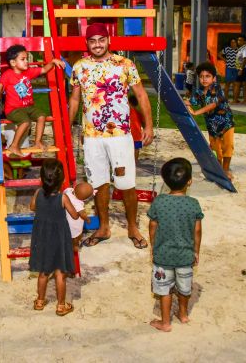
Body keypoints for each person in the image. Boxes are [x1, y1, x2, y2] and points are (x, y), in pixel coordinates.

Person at [68, 23, 154, 249]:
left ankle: (133, 227)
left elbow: (142, 95)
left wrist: (149, 126)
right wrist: (68, 126)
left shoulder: (125, 64)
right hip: (92, 137)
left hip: (120, 135)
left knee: (126, 183)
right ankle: (104, 227)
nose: (97, 44)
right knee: (98, 183)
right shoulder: (80, 67)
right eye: (92, 40)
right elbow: (75, 99)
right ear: (87, 43)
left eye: (101, 39)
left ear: (108, 40)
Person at [147, 157, 204, 333]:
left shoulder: (159, 202)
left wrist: (153, 245)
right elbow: (197, 231)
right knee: (184, 288)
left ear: (165, 181)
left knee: (164, 290)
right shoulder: (193, 204)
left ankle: (165, 322)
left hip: (163, 256)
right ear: (190, 181)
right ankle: (183, 314)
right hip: (185, 256)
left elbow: (152, 226)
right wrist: (196, 251)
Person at [0, 44, 65, 157]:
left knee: (41, 116)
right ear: (13, 63)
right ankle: (14, 146)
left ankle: (37, 142)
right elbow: (1, 87)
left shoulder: (28, 72)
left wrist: (53, 62)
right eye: (23, 59)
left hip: (28, 107)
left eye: (27, 59)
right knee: (25, 122)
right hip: (13, 109)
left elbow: (44, 69)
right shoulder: (7, 75)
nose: (26, 61)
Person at [29, 159, 79, 316]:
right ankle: (61, 305)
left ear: (41, 179)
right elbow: (74, 215)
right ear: (62, 179)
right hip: (59, 239)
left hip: (42, 238)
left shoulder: (38, 193)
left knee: (43, 272)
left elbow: (32, 207)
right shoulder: (63, 198)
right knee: (60, 274)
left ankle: (39, 301)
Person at [185, 62, 235, 179]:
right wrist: (183, 103)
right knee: (215, 148)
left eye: (207, 76)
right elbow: (191, 102)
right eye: (201, 77)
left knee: (228, 146)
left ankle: (226, 170)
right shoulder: (199, 92)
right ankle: (218, 169)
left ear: (214, 78)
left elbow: (213, 104)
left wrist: (196, 112)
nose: (204, 79)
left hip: (226, 122)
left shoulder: (217, 89)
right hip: (212, 125)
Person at [63, 181, 93, 252]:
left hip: (66, 219)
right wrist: (88, 220)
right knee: (76, 237)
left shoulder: (68, 191)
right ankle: (75, 246)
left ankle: (67, 243)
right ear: (84, 199)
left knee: (68, 235)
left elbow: (64, 192)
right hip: (74, 224)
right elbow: (82, 214)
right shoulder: (78, 204)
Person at [233, 35, 246, 103]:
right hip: (241, 68)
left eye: (241, 40)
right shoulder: (241, 48)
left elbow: (245, 59)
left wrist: (241, 69)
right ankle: (244, 100)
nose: (239, 42)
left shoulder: (245, 48)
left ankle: (235, 100)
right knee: (244, 85)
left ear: (245, 41)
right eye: (238, 40)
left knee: (237, 84)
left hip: (243, 68)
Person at [129, 94, 146, 162]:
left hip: (129, 134)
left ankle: (129, 161)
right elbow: (143, 124)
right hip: (138, 135)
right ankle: (135, 161)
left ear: (129, 102)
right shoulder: (138, 113)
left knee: (127, 148)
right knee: (136, 149)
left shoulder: (127, 111)